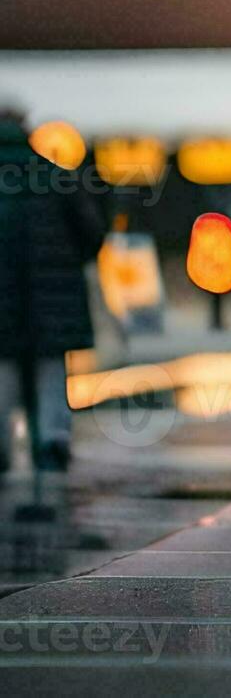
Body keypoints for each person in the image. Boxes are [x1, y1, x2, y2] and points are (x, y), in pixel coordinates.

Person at [0, 104, 106, 471]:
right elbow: (91, 234)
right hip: (53, 296)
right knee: (49, 367)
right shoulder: (55, 176)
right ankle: (51, 441)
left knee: (4, 367)